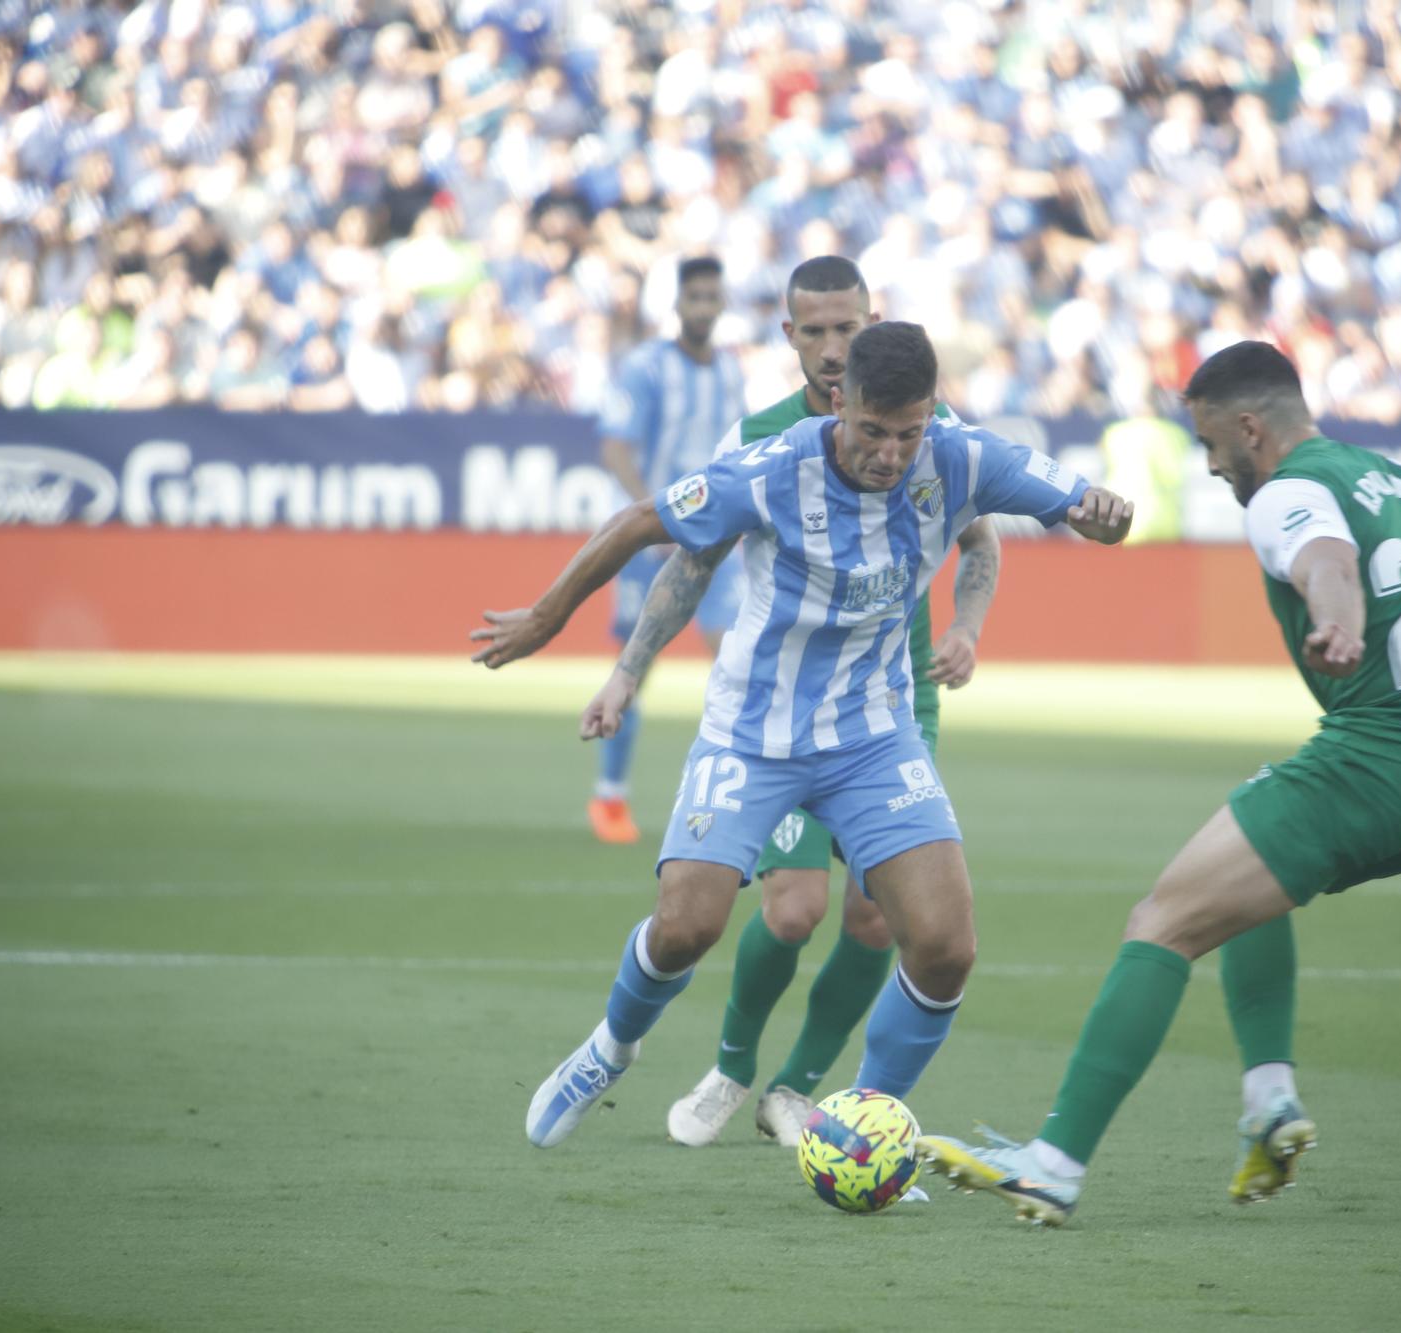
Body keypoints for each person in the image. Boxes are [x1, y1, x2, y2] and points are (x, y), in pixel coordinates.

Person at [470, 321, 1133, 1150]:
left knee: (944, 945)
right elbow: (643, 521)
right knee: (687, 926)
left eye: (909, 433)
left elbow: (1087, 506)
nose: (891, 454)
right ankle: (610, 1047)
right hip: (753, 734)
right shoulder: (775, 467)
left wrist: (1103, 514)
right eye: (872, 431)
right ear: (840, 402)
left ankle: (863, 1124)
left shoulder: (964, 456)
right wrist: (545, 616)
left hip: (875, 739)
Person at [917, 339, 1401, 1225]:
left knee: (1161, 922)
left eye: (1210, 444)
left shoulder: (1286, 493)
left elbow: (1330, 566)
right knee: (1246, 879)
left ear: (1248, 427)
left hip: (1381, 758)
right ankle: (1270, 1100)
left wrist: (1339, 623)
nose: (1211, 464)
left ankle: (1053, 1162)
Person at [592, 256, 1004, 1151]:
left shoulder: (932, 428)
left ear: (872, 326)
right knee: (792, 910)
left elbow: (982, 542)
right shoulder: (762, 435)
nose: (829, 348)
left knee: (873, 916)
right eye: (812, 331)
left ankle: (797, 1088)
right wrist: (629, 668)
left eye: (846, 329)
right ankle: (733, 1067)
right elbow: (692, 554)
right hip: (782, 711)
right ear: (789, 335)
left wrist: (967, 625)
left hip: (893, 702)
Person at [588, 255, 748, 844]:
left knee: (737, 661)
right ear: (677, 304)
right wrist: (650, 516)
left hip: (716, 541)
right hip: (651, 541)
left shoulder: (731, 373)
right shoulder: (646, 369)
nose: (704, 307)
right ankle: (610, 796)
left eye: (713, 296)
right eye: (695, 297)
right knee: (637, 661)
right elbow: (616, 449)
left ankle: (747, 796)